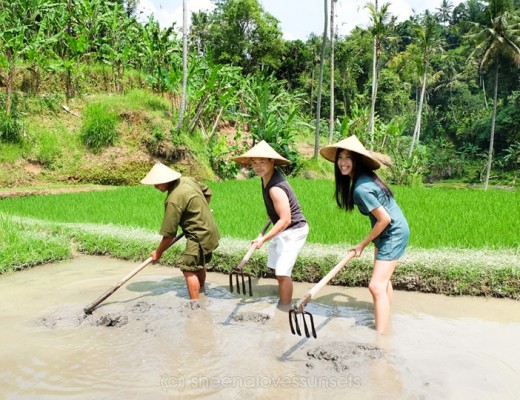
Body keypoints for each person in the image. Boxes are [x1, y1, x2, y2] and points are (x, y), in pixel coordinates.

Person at [319, 135, 410, 333]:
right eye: (340, 158)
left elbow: (384, 219)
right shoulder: (363, 180)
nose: (342, 162)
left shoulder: (361, 188)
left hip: (392, 232)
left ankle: (381, 337)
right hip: (389, 231)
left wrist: (362, 244)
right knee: (383, 283)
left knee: (375, 286)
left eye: (348, 158)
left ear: (357, 161)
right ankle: (385, 319)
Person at [233, 140, 309, 306]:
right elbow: (279, 211)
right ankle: (284, 290)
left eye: (262, 162)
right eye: (254, 163)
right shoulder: (266, 178)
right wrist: (272, 214)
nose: (258, 166)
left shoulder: (275, 187)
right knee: (276, 268)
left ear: (271, 162)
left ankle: (284, 309)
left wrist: (263, 239)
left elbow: (286, 219)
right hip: (282, 227)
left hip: (293, 230)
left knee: (282, 273)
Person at [141, 162, 220, 300]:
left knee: (188, 268)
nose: (155, 187)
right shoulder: (188, 180)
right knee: (198, 264)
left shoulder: (173, 200)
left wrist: (158, 252)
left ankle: (195, 306)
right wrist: (201, 210)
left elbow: (169, 235)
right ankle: (201, 292)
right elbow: (207, 192)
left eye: (158, 183)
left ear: (166, 180)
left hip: (198, 236)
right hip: (210, 229)